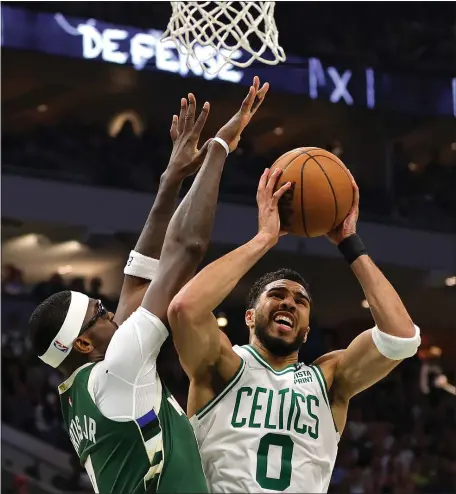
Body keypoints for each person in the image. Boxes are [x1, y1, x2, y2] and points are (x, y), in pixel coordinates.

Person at [28, 77, 269, 494]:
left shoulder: (85, 390)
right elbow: (188, 248)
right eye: (99, 313)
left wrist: (171, 178)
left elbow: (139, 276)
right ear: (84, 344)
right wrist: (220, 147)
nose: (110, 310)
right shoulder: (119, 368)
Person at [168, 167, 421, 493]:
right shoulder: (223, 365)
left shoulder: (329, 380)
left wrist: (350, 243)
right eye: (276, 295)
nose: (289, 303)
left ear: (306, 330)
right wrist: (264, 239)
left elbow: (401, 337)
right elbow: (184, 309)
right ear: (249, 317)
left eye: (300, 301)